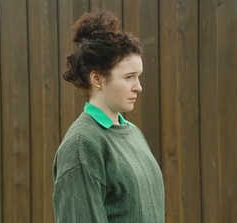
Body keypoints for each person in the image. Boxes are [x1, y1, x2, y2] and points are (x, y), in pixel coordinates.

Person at [52, 10, 165, 223]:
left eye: (139, 77)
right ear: (97, 78)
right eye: (129, 77)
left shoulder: (133, 133)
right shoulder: (81, 145)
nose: (138, 87)